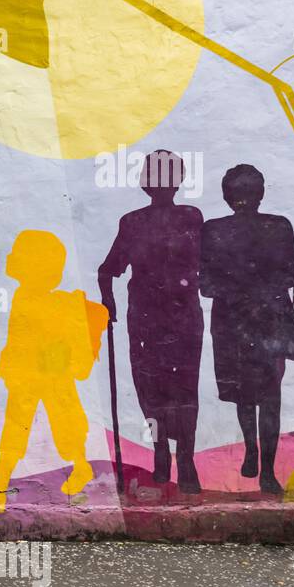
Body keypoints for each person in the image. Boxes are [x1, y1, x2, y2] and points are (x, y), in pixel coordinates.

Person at [0, 230, 108, 514]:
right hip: (29, 378)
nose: (11, 258)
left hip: (46, 377)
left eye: (18, 253)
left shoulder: (41, 300)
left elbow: (30, 340)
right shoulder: (26, 296)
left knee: (60, 429)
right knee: (22, 433)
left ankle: (76, 470)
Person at [98, 150, 203, 491]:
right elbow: (107, 270)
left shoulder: (153, 220)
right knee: (173, 387)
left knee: (156, 388)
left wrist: (109, 301)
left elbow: (106, 272)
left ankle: (174, 456)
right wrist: (108, 302)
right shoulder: (179, 218)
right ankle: (174, 457)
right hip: (165, 314)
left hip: (161, 314)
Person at [200, 164, 294, 495]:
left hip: (232, 322)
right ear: (260, 193)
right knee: (269, 396)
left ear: (226, 195)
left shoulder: (213, 230)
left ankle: (252, 452)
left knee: (243, 394)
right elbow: (292, 275)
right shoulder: (280, 226)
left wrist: (238, 290)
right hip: (270, 321)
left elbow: (205, 284)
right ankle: (268, 471)